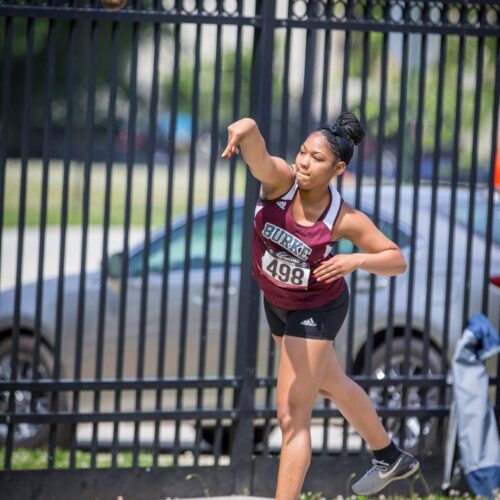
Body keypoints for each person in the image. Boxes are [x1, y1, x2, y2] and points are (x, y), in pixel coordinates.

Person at [221, 112, 420, 499]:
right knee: (331, 383)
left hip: (317, 308)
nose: (304, 162)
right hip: (277, 302)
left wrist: (355, 260)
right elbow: (260, 158)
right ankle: (390, 455)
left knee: (292, 416)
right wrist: (247, 128)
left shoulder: (343, 217)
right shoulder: (281, 183)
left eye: (316, 158)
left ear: (338, 168)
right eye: (301, 152)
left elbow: (397, 259)